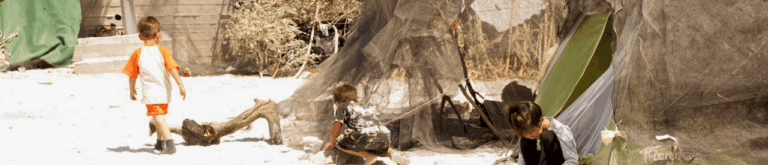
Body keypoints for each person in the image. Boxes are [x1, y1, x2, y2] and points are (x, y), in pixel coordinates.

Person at [122, 16, 186, 155]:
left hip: (151, 91)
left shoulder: (137, 53)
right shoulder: (163, 50)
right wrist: (180, 84)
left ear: (140, 37)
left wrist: (132, 91)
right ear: (158, 35)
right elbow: (173, 68)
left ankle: (170, 144)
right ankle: (159, 143)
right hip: (165, 90)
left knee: (157, 117)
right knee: (160, 116)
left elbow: (132, 75)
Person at [323, 84, 410, 165]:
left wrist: (332, 144)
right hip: (384, 135)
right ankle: (393, 154)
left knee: (339, 141)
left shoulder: (342, 106)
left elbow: (336, 127)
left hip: (365, 135)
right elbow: (363, 124)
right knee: (378, 149)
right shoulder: (363, 106)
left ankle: (368, 156)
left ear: (337, 103)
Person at [506, 101, 578, 165]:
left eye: (532, 132)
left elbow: (572, 160)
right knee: (524, 140)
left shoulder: (559, 130)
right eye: (525, 134)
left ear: (541, 119)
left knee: (546, 135)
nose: (529, 135)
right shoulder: (526, 134)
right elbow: (523, 156)